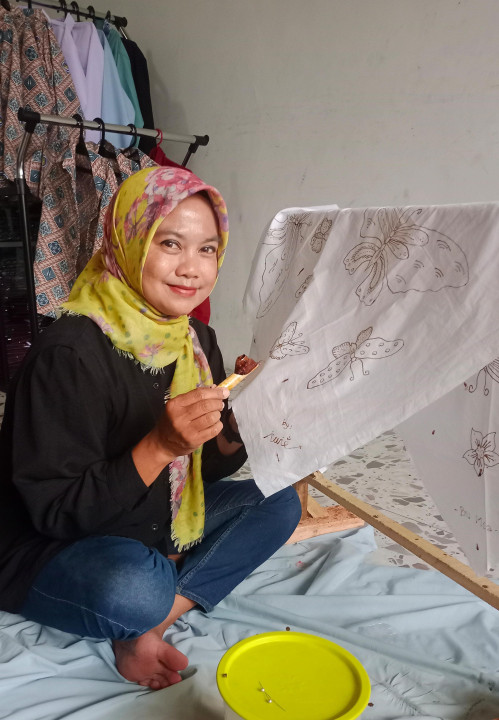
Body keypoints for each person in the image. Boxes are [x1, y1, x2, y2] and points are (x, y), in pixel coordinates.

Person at [0, 167, 301, 690]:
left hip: (151, 518)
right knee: (134, 588)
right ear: (129, 241)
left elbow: (208, 467)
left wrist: (242, 422)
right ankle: (148, 604)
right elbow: (57, 513)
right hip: (51, 543)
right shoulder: (68, 354)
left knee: (278, 501)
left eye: (208, 249)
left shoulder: (195, 340)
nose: (192, 268)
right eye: (170, 243)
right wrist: (161, 445)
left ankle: (151, 626)